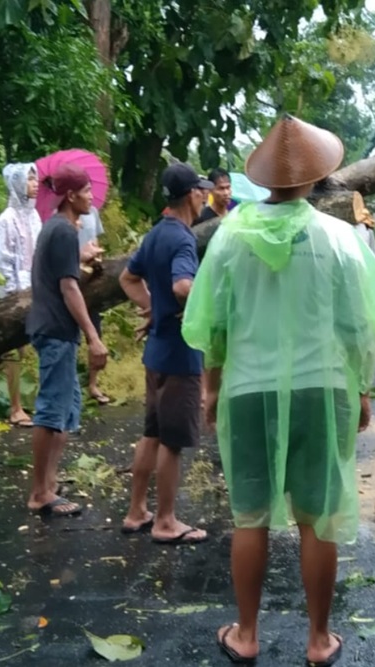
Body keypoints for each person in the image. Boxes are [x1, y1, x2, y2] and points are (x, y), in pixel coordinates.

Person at [182, 115, 375, 666]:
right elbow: (360, 323)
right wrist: (363, 390)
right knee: (317, 517)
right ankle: (319, 640)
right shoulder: (339, 239)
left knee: (249, 516)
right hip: (322, 389)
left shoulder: (229, 237)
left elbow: (213, 322)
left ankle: (246, 634)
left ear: (265, 179)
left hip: (248, 390)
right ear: (317, 177)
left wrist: (210, 388)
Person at [118, 163, 214, 544]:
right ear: (191, 194)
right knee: (172, 442)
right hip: (179, 353)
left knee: (152, 434)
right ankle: (166, 521)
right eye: (201, 190)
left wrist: (152, 308)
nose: (204, 195)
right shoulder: (183, 239)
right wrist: (209, 305)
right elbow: (182, 286)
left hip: (156, 352)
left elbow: (127, 278)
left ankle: (136, 510)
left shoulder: (156, 234)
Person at [25, 164, 108, 516]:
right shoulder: (61, 231)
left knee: (66, 409)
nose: (92, 197)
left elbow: (63, 269)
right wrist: (93, 336)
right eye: (86, 191)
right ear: (71, 196)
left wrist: (80, 256)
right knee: (50, 412)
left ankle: (50, 481)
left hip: (59, 331)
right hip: (56, 329)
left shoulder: (59, 230)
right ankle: (39, 492)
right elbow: (68, 286)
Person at [0, 163, 42, 428]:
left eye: (36, 179)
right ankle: (15, 406)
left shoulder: (35, 218)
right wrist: (12, 296)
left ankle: (33, 398)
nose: (35, 184)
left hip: (36, 287)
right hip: (15, 293)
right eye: (29, 180)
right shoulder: (5, 221)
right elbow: (2, 263)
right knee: (15, 350)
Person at [78, 208, 111, 405]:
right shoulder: (61, 215)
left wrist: (97, 261)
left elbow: (95, 241)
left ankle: (92, 384)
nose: (89, 195)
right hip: (73, 275)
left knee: (95, 332)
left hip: (91, 277)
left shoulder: (92, 213)